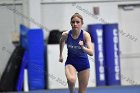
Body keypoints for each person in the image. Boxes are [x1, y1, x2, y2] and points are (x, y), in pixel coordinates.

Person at [59, 13, 93, 93]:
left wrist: (82, 47)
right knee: (71, 80)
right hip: (71, 62)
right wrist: (60, 55)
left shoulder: (85, 35)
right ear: (70, 23)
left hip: (83, 64)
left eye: (78, 22)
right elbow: (61, 41)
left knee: (82, 91)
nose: (75, 24)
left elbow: (91, 52)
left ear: (82, 23)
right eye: (73, 22)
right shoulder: (66, 34)